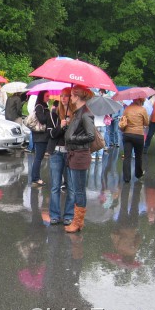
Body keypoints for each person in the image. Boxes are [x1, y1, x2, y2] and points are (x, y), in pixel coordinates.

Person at [64, 85, 95, 233]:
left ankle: (77, 222)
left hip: (80, 156)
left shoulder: (86, 114)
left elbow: (90, 136)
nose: (70, 98)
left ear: (77, 96)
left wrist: (73, 137)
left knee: (79, 191)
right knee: (77, 190)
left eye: (71, 95)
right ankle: (77, 222)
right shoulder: (78, 113)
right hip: (74, 154)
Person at [47, 88, 76, 225]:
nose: (64, 98)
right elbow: (52, 134)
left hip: (70, 153)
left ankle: (69, 215)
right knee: (55, 186)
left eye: (67, 96)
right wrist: (61, 125)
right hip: (57, 152)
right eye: (62, 96)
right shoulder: (54, 114)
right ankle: (54, 215)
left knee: (71, 186)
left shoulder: (76, 115)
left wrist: (71, 125)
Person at [121, 98, 149, 183]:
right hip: (138, 135)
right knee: (138, 156)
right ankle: (138, 174)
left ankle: (126, 178)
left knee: (127, 157)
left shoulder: (127, 109)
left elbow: (123, 120)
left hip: (127, 134)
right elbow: (146, 123)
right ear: (141, 101)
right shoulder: (142, 110)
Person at [30, 91, 52, 187]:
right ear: (42, 96)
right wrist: (49, 114)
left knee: (39, 157)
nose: (49, 97)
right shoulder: (39, 106)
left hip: (43, 136)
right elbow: (42, 119)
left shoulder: (44, 106)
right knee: (38, 158)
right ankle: (35, 178)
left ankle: (36, 177)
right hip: (40, 136)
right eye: (47, 96)